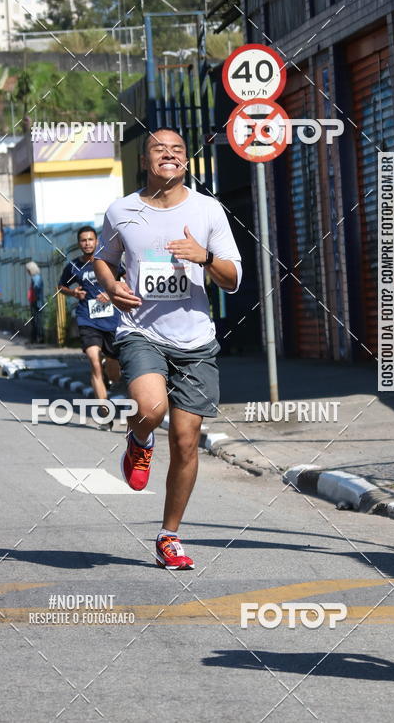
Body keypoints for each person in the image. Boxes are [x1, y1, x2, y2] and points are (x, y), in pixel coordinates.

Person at [93, 127, 242, 569]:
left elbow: (232, 279)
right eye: (160, 149)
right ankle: (139, 438)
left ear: (186, 161)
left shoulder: (207, 210)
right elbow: (103, 256)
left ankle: (169, 535)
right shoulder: (122, 210)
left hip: (196, 340)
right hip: (141, 331)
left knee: (185, 442)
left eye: (178, 150)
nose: (170, 155)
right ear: (145, 161)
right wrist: (111, 285)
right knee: (152, 408)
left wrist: (205, 257)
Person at [59, 226, 122, 428]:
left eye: (90, 239)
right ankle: (105, 413)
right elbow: (61, 286)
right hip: (88, 319)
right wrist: (73, 293)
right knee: (94, 361)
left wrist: (111, 293)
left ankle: (108, 369)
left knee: (114, 370)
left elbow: (127, 279)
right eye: (83, 240)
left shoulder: (108, 262)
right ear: (79, 243)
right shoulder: (74, 266)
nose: (87, 243)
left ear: (96, 242)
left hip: (112, 320)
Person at [26, 261, 45, 344]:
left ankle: (38, 338)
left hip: (36, 302)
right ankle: (35, 338)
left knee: (37, 320)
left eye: (28, 270)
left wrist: (35, 299)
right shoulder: (35, 277)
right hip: (35, 301)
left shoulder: (36, 277)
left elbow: (36, 288)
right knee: (35, 320)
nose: (27, 272)